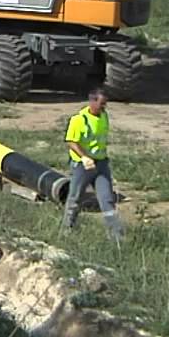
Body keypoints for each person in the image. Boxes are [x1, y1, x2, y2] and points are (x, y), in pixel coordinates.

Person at [62, 88, 123, 242]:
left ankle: (116, 236)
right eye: (101, 104)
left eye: (105, 104)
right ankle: (66, 231)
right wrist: (84, 157)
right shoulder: (79, 119)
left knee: (107, 199)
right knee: (75, 198)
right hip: (83, 166)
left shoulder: (104, 116)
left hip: (101, 164)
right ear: (92, 101)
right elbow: (71, 141)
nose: (104, 107)